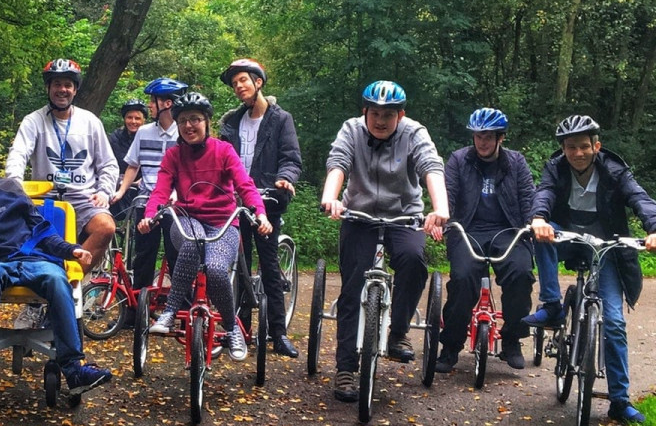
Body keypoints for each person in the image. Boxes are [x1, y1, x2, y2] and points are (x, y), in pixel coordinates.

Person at [0, 134, 112, 396]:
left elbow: (42, 231)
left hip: (35, 260)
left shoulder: (10, 189)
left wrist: (71, 249)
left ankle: (74, 369)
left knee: (56, 278)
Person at [522, 115, 656, 423]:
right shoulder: (556, 168)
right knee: (541, 231)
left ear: (596, 146)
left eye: (584, 147)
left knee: (614, 322)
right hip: (569, 239)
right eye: (571, 147)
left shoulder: (614, 170)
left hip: (606, 248)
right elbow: (545, 193)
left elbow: (639, 199)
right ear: (563, 149)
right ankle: (553, 306)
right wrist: (538, 217)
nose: (578, 153)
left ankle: (619, 400)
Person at [320, 80, 449, 401]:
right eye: (374, 113)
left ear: (400, 115)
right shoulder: (351, 130)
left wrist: (441, 208)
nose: (380, 120)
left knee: (413, 261)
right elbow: (338, 163)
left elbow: (431, 167)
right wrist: (330, 198)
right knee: (351, 288)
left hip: (403, 216)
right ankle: (346, 368)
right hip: (358, 215)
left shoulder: (414, 133)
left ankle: (399, 332)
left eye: (388, 115)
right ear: (364, 112)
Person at [138, 92, 271, 361]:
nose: (189, 126)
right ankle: (170, 311)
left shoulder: (223, 150)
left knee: (217, 270)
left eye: (196, 119)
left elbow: (245, 186)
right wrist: (149, 216)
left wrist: (261, 214)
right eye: (184, 120)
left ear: (207, 122)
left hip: (223, 223)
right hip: (187, 219)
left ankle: (232, 328)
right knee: (191, 245)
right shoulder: (174, 156)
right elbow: (161, 191)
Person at [218, 58, 303, 358]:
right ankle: (239, 330)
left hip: (266, 200)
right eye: (234, 83)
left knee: (268, 267)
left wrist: (284, 179)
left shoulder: (281, 119)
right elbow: (220, 160)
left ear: (259, 82)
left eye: (243, 80)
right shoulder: (230, 121)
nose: (238, 86)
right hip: (233, 202)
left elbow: (291, 159)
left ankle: (278, 334)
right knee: (238, 264)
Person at [439, 107, 536, 372]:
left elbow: (528, 198)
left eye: (489, 136)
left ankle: (512, 340)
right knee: (463, 278)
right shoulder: (459, 160)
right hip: (467, 230)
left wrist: (533, 222)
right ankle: (450, 347)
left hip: (508, 230)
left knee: (521, 274)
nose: (482, 142)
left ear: (500, 138)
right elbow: (447, 195)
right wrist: (443, 218)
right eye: (478, 136)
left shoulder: (516, 163)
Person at [4, 58, 118, 268]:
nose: (62, 89)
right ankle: (43, 283)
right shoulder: (34, 120)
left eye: (68, 85)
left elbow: (108, 163)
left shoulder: (90, 121)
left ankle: (69, 284)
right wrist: (14, 183)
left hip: (83, 198)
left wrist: (104, 191)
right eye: (57, 84)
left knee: (106, 227)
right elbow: (18, 154)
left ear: (75, 90)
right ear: (48, 87)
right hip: (45, 197)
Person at [111, 77, 186, 287]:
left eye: (153, 101)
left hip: (175, 205)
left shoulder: (183, 133)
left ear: (167, 103)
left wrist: (178, 193)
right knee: (143, 255)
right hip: (146, 201)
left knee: (176, 254)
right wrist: (121, 191)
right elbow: (133, 165)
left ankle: (181, 309)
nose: (149, 106)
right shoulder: (144, 132)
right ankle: (137, 311)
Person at [107, 98, 147, 219]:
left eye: (137, 118)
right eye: (129, 117)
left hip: (142, 186)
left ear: (144, 120)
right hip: (118, 184)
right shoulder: (114, 138)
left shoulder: (149, 138)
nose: (133, 121)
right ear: (124, 119)